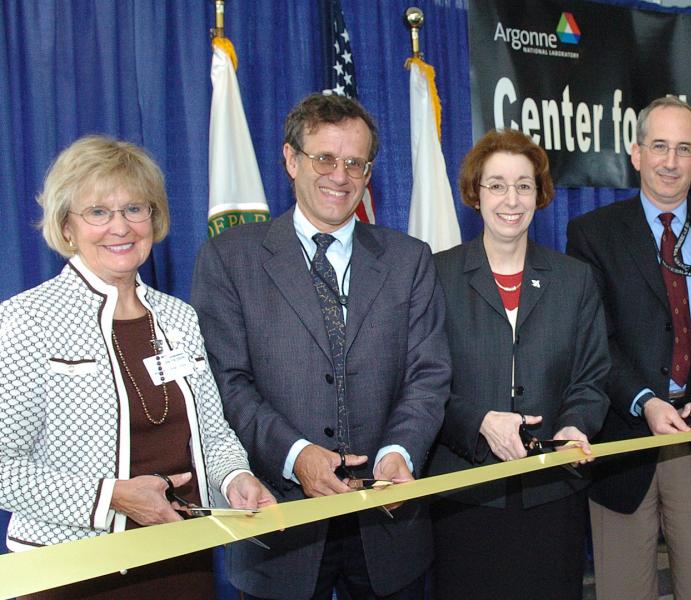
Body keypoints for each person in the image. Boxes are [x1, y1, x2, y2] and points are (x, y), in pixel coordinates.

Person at [190, 93, 451, 600]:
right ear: (291, 160)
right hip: (279, 526)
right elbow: (226, 383)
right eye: (324, 158)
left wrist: (400, 452)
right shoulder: (229, 259)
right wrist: (295, 455)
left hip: (387, 526)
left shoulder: (410, 259)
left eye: (355, 162)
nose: (341, 175)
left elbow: (429, 374)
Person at [0, 135, 275, 599]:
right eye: (98, 212)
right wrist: (112, 498)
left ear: (154, 218)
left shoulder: (178, 318)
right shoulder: (27, 319)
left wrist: (236, 479)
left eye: (134, 209)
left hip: (181, 560)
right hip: (72, 572)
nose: (120, 227)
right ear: (67, 226)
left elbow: (212, 431)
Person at [566, 96, 691, 600]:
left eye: (684, 149)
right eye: (659, 146)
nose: (670, 162)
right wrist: (644, 400)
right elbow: (594, 340)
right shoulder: (592, 234)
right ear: (635, 153)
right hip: (625, 439)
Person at [427, 129, 610, 599]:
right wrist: (480, 422)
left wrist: (576, 425)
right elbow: (421, 382)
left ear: (540, 194)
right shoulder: (436, 275)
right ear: (475, 193)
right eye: (497, 185)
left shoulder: (574, 279)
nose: (512, 199)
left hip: (552, 490)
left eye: (524, 185)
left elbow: (591, 377)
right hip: (465, 490)